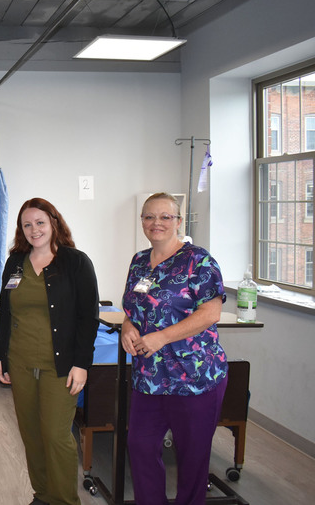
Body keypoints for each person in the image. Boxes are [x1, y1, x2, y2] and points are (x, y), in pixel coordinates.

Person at [121, 192, 228, 505]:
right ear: (142, 221)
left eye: (165, 217)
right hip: (149, 376)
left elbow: (211, 313)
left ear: (179, 222)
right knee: (139, 447)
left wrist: (163, 337)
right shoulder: (139, 261)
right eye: (149, 217)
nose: (157, 223)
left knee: (193, 459)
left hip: (194, 377)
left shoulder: (199, 260)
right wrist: (128, 327)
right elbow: (132, 308)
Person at [0, 198, 99, 505]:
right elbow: (4, 311)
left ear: (54, 222)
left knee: (55, 435)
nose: (34, 229)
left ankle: (65, 500)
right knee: (31, 434)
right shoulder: (15, 262)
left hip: (60, 366)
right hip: (20, 361)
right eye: (27, 224)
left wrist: (82, 363)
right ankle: (43, 495)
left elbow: (88, 317)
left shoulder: (75, 262)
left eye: (40, 222)